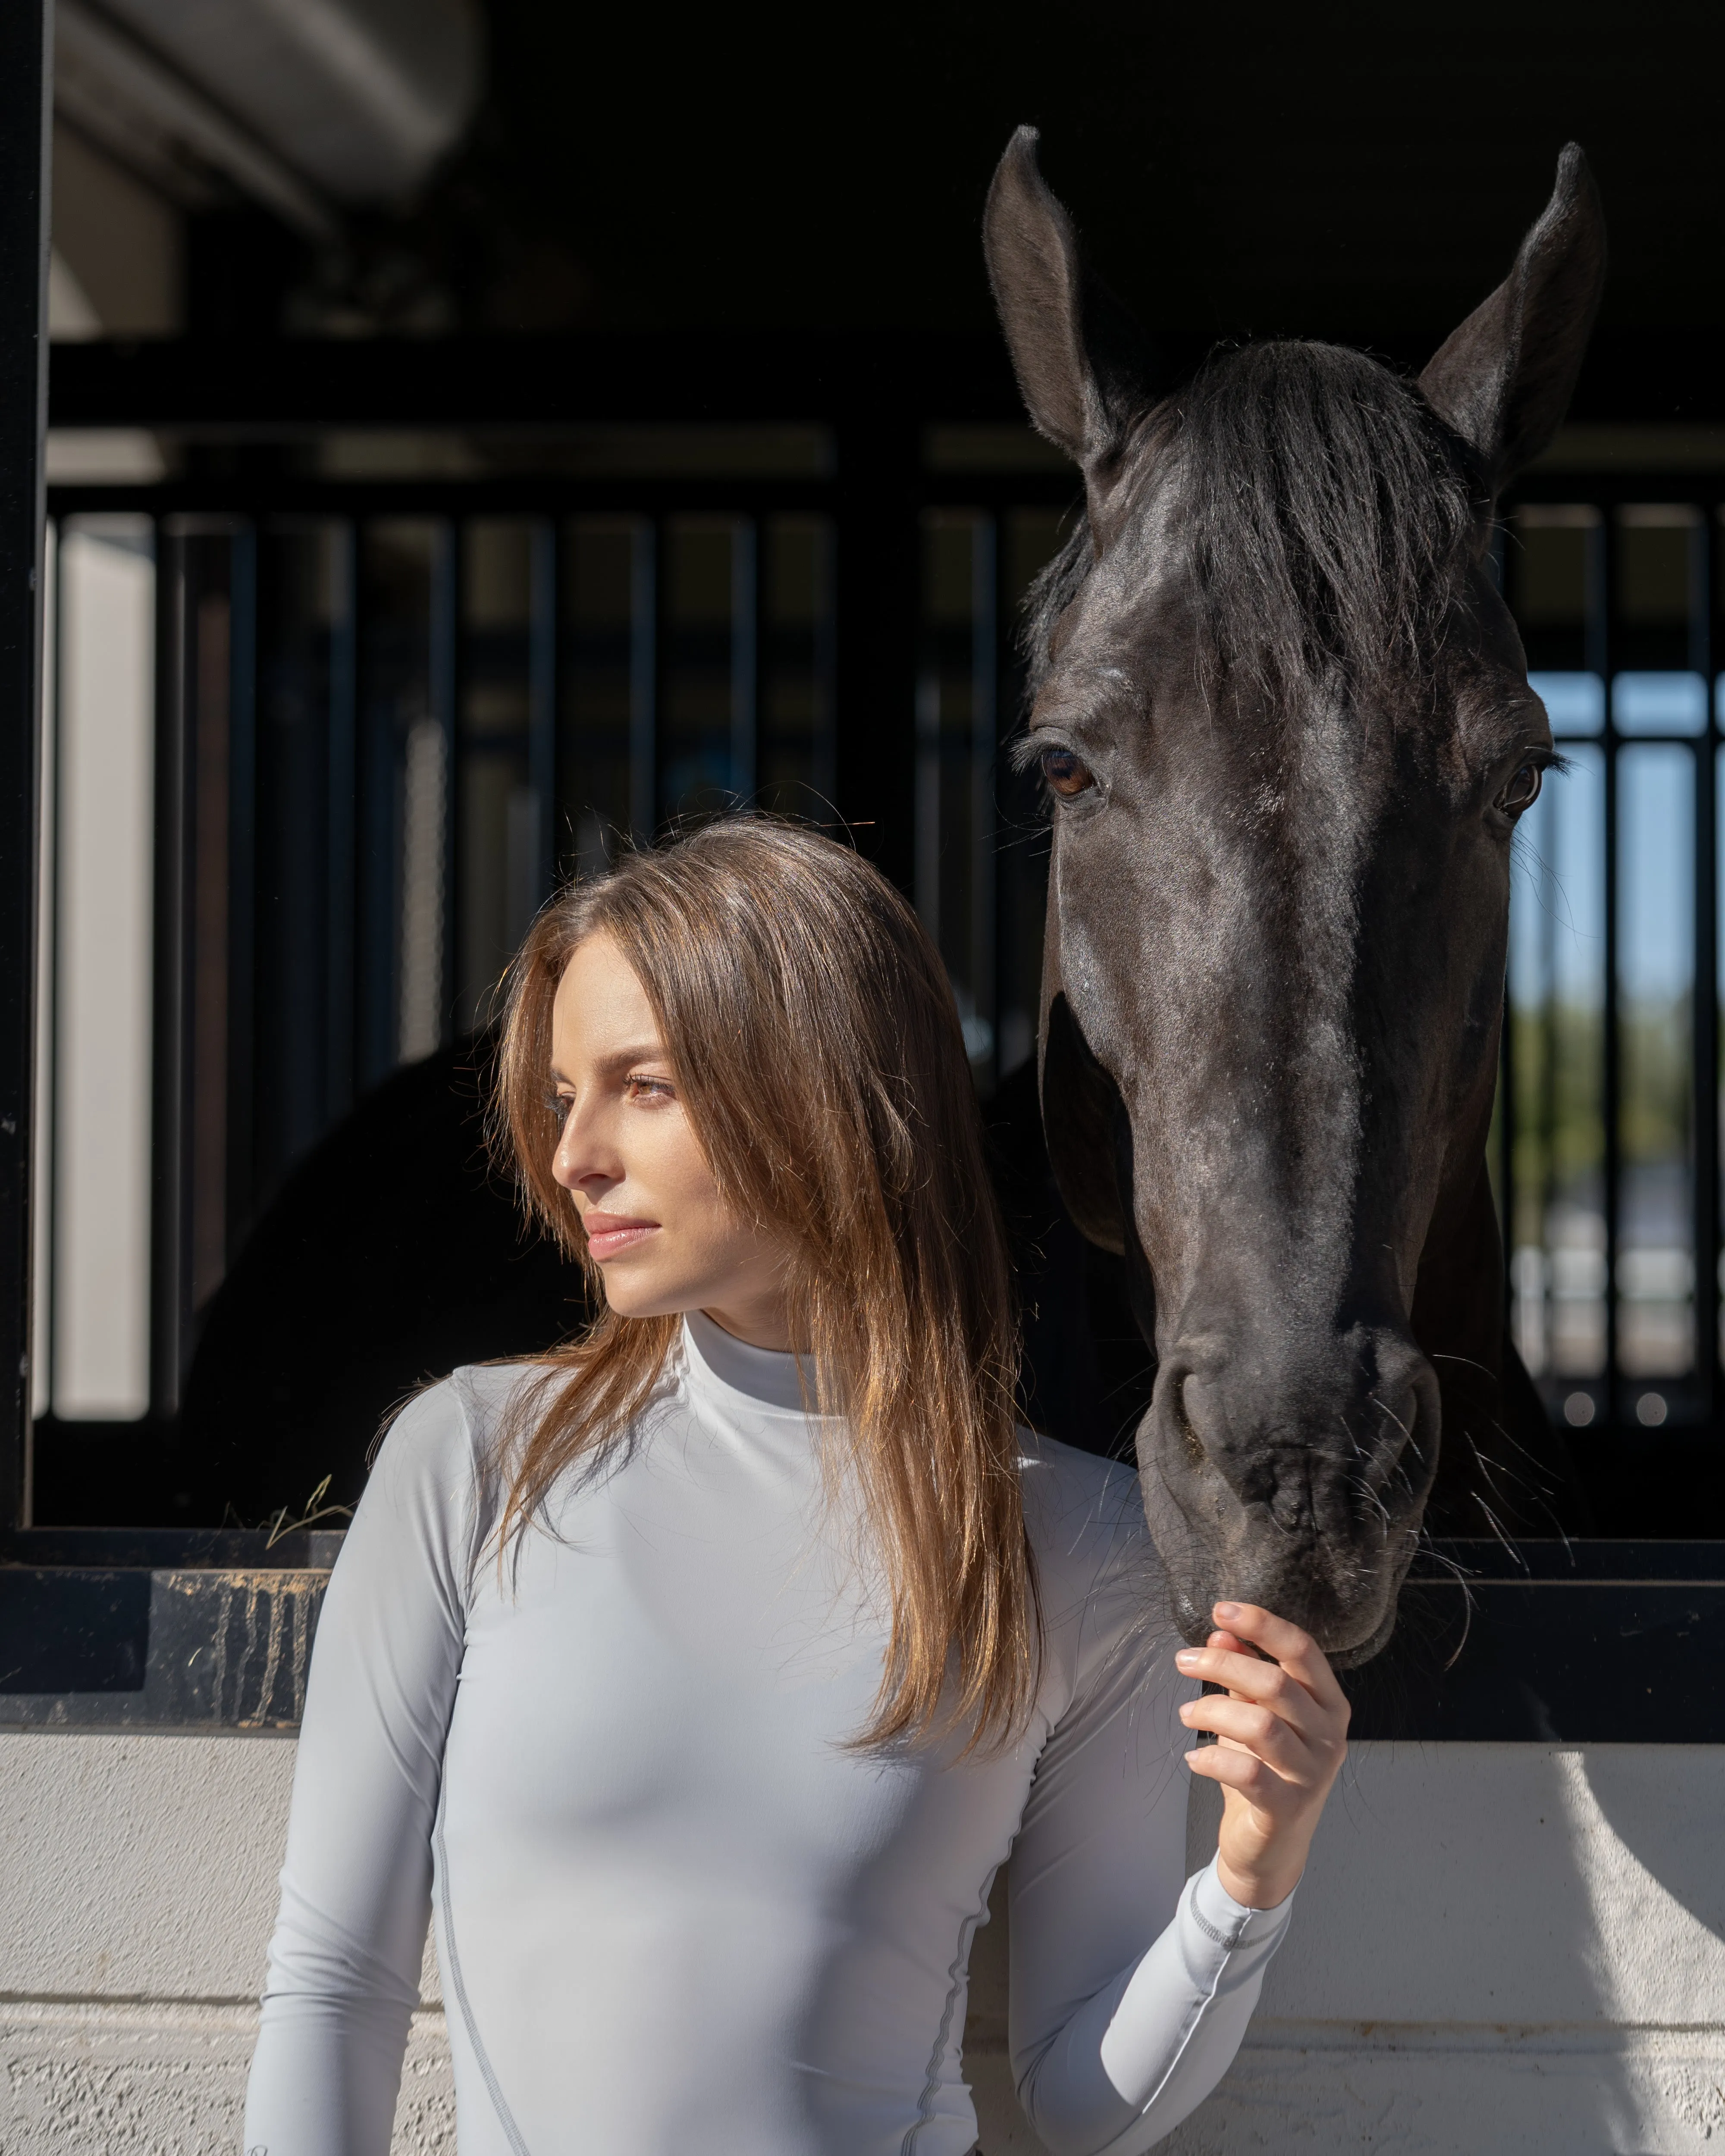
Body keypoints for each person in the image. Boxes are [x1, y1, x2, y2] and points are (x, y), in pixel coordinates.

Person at [242, 818, 1349, 2156]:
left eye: (642, 1085)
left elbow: (1076, 2103)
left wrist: (1250, 1876)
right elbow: (334, 1985)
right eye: (559, 1096)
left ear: (821, 1093)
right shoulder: (476, 1460)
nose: (574, 1153)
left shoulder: (1074, 1540)